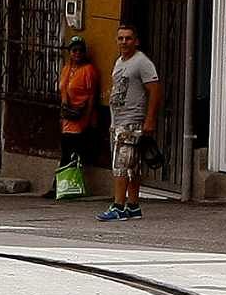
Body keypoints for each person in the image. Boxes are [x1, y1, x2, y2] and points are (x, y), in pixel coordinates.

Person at [97, 24, 161, 221]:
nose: (124, 42)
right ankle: (133, 205)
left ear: (136, 41)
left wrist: (149, 119)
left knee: (122, 165)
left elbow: (155, 89)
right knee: (132, 166)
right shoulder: (119, 62)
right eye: (121, 38)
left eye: (128, 38)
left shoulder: (142, 62)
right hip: (118, 121)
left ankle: (118, 205)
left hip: (132, 121)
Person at [52, 35, 99, 196]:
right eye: (74, 50)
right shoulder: (67, 69)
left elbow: (92, 96)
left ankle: (59, 187)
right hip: (67, 116)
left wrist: (87, 118)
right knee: (66, 152)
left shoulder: (88, 71)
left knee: (71, 153)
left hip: (79, 117)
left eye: (80, 50)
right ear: (69, 52)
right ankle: (61, 186)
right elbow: (63, 90)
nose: (77, 53)